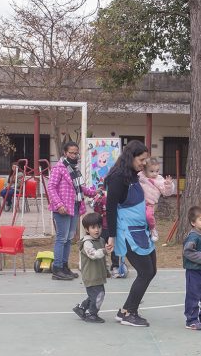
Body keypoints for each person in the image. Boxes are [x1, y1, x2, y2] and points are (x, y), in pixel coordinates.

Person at [105, 140, 157, 327]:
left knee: (151, 270)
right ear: (131, 157)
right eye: (141, 159)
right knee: (145, 272)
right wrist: (111, 235)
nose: (144, 163)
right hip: (127, 232)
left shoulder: (134, 175)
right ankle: (129, 312)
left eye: (146, 159)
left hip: (141, 231)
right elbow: (110, 208)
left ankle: (126, 310)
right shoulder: (118, 177)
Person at [48, 141, 96, 281]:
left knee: (69, 239)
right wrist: (59, 204)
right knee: (61, 238)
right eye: (72, 153)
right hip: (62, 208)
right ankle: (57, 268)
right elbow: (51, 187)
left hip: (74, 206)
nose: (75, 155)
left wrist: (94, 192)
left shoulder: (75, 169)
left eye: (76, 153)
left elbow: (81, 189)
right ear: (65, 153)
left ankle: (64, 266)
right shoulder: (59, 168)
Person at [73, 212, 111, 323]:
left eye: (99, 227)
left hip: (98, 274)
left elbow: (104, 258)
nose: (97, 230)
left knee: (94, 295)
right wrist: (104, 250)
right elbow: (93, 255)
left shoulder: (101, 240)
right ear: (86, 229)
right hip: (90, 275)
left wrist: (107, 269)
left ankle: (81, 308)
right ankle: (92, 314)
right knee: (99, 295)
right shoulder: (87, 243)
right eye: (93, 227)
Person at [138, 157, 175, 241]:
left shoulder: (159, 180)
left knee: (149, 216)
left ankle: (153, 229)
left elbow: (166, 192)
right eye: (151, 171)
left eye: (157, 171)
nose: (155, 173)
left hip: (150, 204)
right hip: (139, 203)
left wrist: (168, 185)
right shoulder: (140, 176)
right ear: (144, 170)